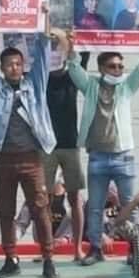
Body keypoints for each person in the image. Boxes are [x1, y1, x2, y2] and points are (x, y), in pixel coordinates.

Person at [0, 4, 58, 278]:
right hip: (4, 158)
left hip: (32, 157)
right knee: (5, 209)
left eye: (18, 64)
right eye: (9, 64)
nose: (15, 68)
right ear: (3, 67)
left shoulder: (35, 84)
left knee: (40, 208)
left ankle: (48, 259)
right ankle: (11, 258)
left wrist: (45, 20)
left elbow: (44, 53)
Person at [67, 27, 139, 266]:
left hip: (123, 156)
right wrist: (72, 44)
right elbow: (74, 69)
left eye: (120, 66)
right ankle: (95, 249)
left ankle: (135, 248)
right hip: (97, 156)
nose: (118, 70)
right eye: (112, 66)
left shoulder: (126, 88)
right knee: (95, 207)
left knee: (131, 205)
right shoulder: (91, 87)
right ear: (102, 68)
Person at [43, 31, 89, 262]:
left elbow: (78, 55)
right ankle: (45, 249)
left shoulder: (73, 74)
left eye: (58, 49)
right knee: (44, 199)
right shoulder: (40, 76)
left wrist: (65, 36)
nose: (56, 53)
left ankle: (77, 248)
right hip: (46, 145)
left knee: (75, 198)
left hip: (70, 144)